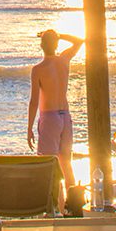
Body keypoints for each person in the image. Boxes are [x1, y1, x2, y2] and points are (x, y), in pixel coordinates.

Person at [27, 29, 83, 195]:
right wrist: (60, 35)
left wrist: (29, 127)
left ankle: (55, 205)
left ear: (41, 45)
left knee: (49, 164)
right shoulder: (64, 60)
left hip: (50, 118)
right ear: (56, 44)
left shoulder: (38, 69)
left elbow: (34, 101)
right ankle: (73, 204)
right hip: (65, 116)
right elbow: (79, 40)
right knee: (66, 163)